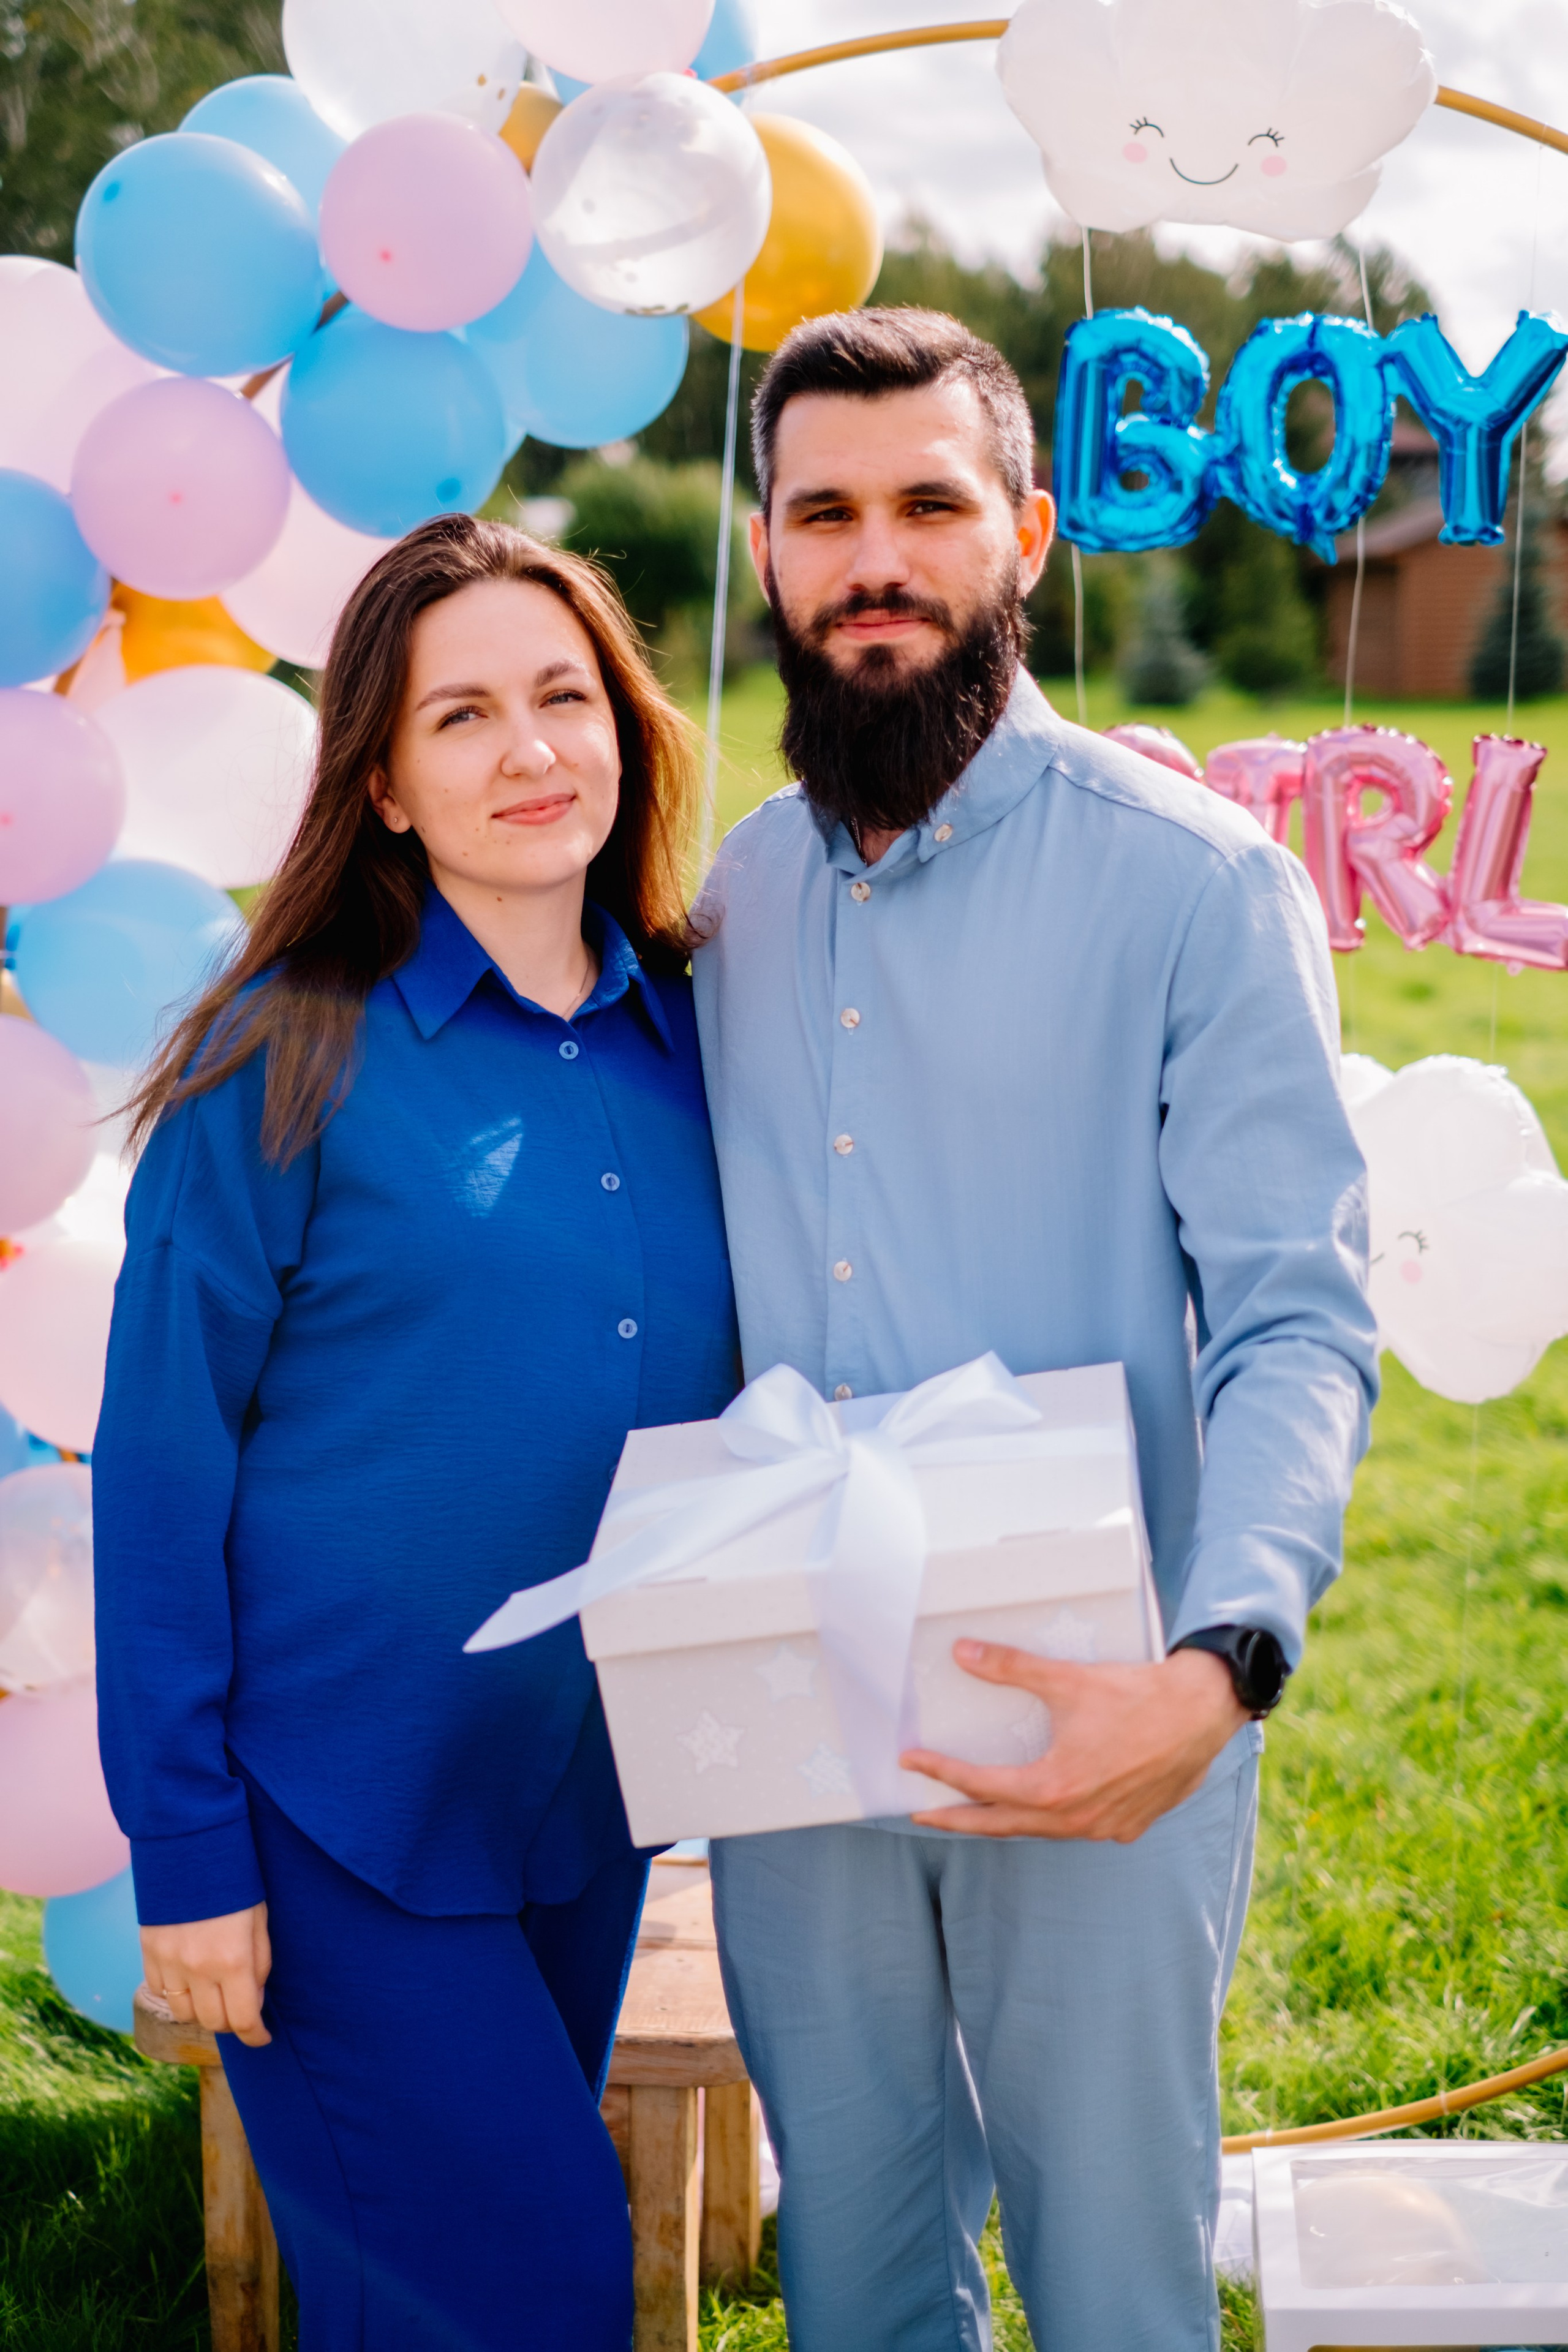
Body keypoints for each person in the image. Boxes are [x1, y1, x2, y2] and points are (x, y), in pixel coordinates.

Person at [692, 308, 1378, 2352]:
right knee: (860, 2266)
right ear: (767, 554)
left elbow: (1297, 1314)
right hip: (788, 1716)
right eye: (826, 511)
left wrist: (1221, 1662)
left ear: (1031, 534)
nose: (874, 556)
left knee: (1111, 2282)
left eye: (929, 503)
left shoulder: (1199, 889)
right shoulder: (727, 900)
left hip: (1106, 1712)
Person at [92, 516, 737, 2351]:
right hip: (333, 1818)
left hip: (582, 1801)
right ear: (380, 781)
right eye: (462, 718)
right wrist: (191, 1857)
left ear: (628, 724)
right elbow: (156, 1481)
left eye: (563, 697)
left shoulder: (699, 1036)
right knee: (528, 2291)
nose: (530, 752)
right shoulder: (276, 1059)